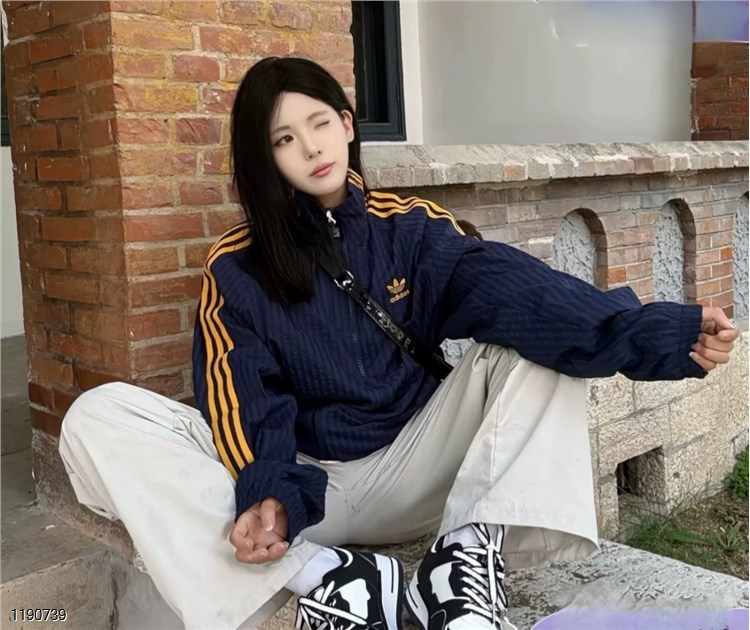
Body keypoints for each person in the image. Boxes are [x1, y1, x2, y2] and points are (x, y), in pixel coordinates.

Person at [58, 57, 739, 630]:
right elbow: (241, 395)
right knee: (98, 416)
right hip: (308, 492)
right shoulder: (236, 267)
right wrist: (270, 491)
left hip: (415, 467)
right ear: (267, 159)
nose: (312, 148)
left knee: (531, 349)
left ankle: (461, 566)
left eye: (320, 124)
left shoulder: (409, 228)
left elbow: (523, 294)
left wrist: (661, 334)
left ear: (347, 125)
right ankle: (331, 580)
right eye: (285, 139)